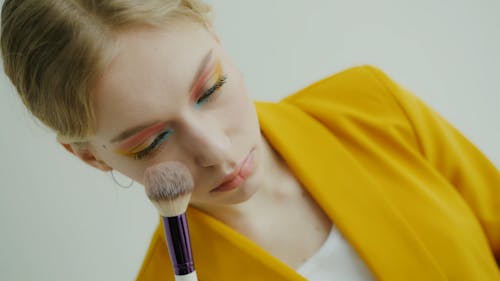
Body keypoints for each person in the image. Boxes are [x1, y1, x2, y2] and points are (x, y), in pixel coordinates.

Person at [1, 0, 499, 280]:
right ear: (90, 157)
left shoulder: (373, 106)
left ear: (215, 34)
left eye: (210, 88)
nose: (217, 152)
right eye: (151, 143)